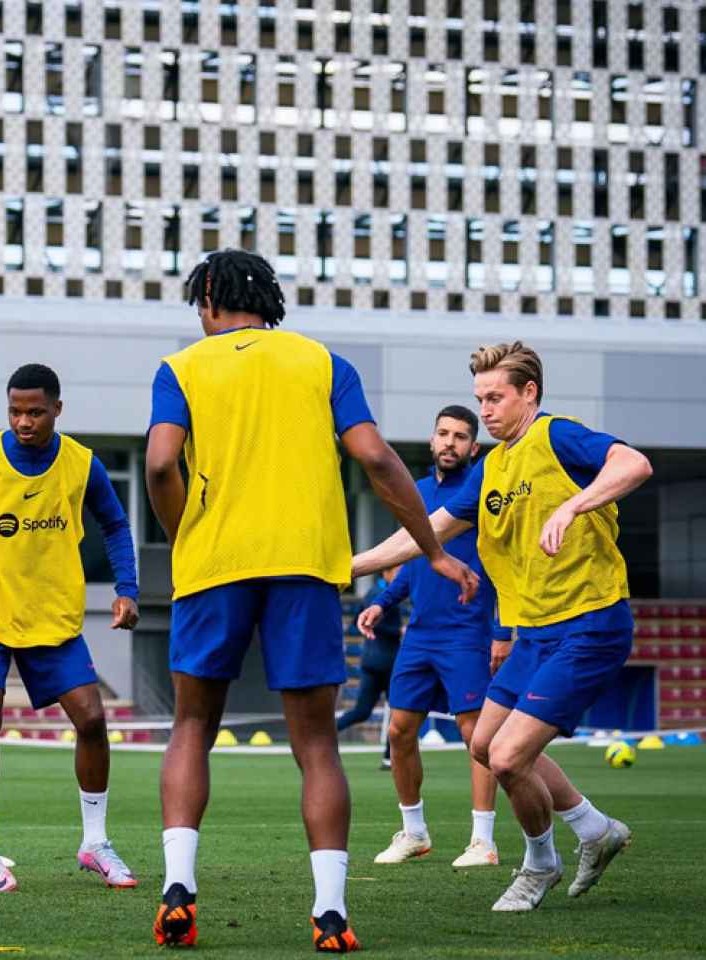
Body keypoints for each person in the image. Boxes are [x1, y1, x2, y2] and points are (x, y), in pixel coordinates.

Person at [144, 250, 476, 952]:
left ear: (208, 296)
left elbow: (159, 463)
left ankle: (178, 889)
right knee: (318, 743)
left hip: (213, 566)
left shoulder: (183, 368)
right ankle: (330, 913)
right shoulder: (324, 363)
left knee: (192, 726)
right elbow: (379, 460)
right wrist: (434, 548)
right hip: (305, 568)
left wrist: (185, 536)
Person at [352, 341, 650, 913]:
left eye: (495, 397)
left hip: (590, 624)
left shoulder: (557, 436)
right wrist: (344, 568)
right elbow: (425, 532)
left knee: (510, 755)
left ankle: (540, 864)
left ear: (529, 393)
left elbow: (633, 464)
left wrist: (574, 506)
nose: (484, 410)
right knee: (484, 744)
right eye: (478, 399)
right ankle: (594, 829)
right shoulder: (492, 466)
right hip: (535, 633)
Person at [0, 363, 141, 894]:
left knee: (91, 718)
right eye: (16, 411)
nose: (24, 421)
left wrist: (127, 588)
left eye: (36, 412)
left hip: (52, 614)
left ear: (57, 410)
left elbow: (114, 524)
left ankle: (94, 842)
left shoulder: (81, 464)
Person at [357, 405, 510, 870]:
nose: (450, 443)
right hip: (418, 635)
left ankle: (482, 840)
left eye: (461, 436)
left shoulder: (483, 493)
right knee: (401, 731)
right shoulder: (417, 493)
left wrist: (503, 631)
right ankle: (414, 832)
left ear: (473, 447)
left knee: (475, 737)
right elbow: (414, 559)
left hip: (468, 632)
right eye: (443, 434)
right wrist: (383, 600)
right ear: (431, 440)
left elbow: (506, 566)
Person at [334, 567, 402, 770]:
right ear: (386, 572)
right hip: (387, 661)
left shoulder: (371, 591)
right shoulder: (383, 595)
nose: (400, 574)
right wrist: (399, 630)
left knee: (362, 711)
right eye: (398, 570)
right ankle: (390, 758)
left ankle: (324, 735)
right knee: (398, 712)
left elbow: (357, 620)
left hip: (370, 660)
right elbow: (375, 623)